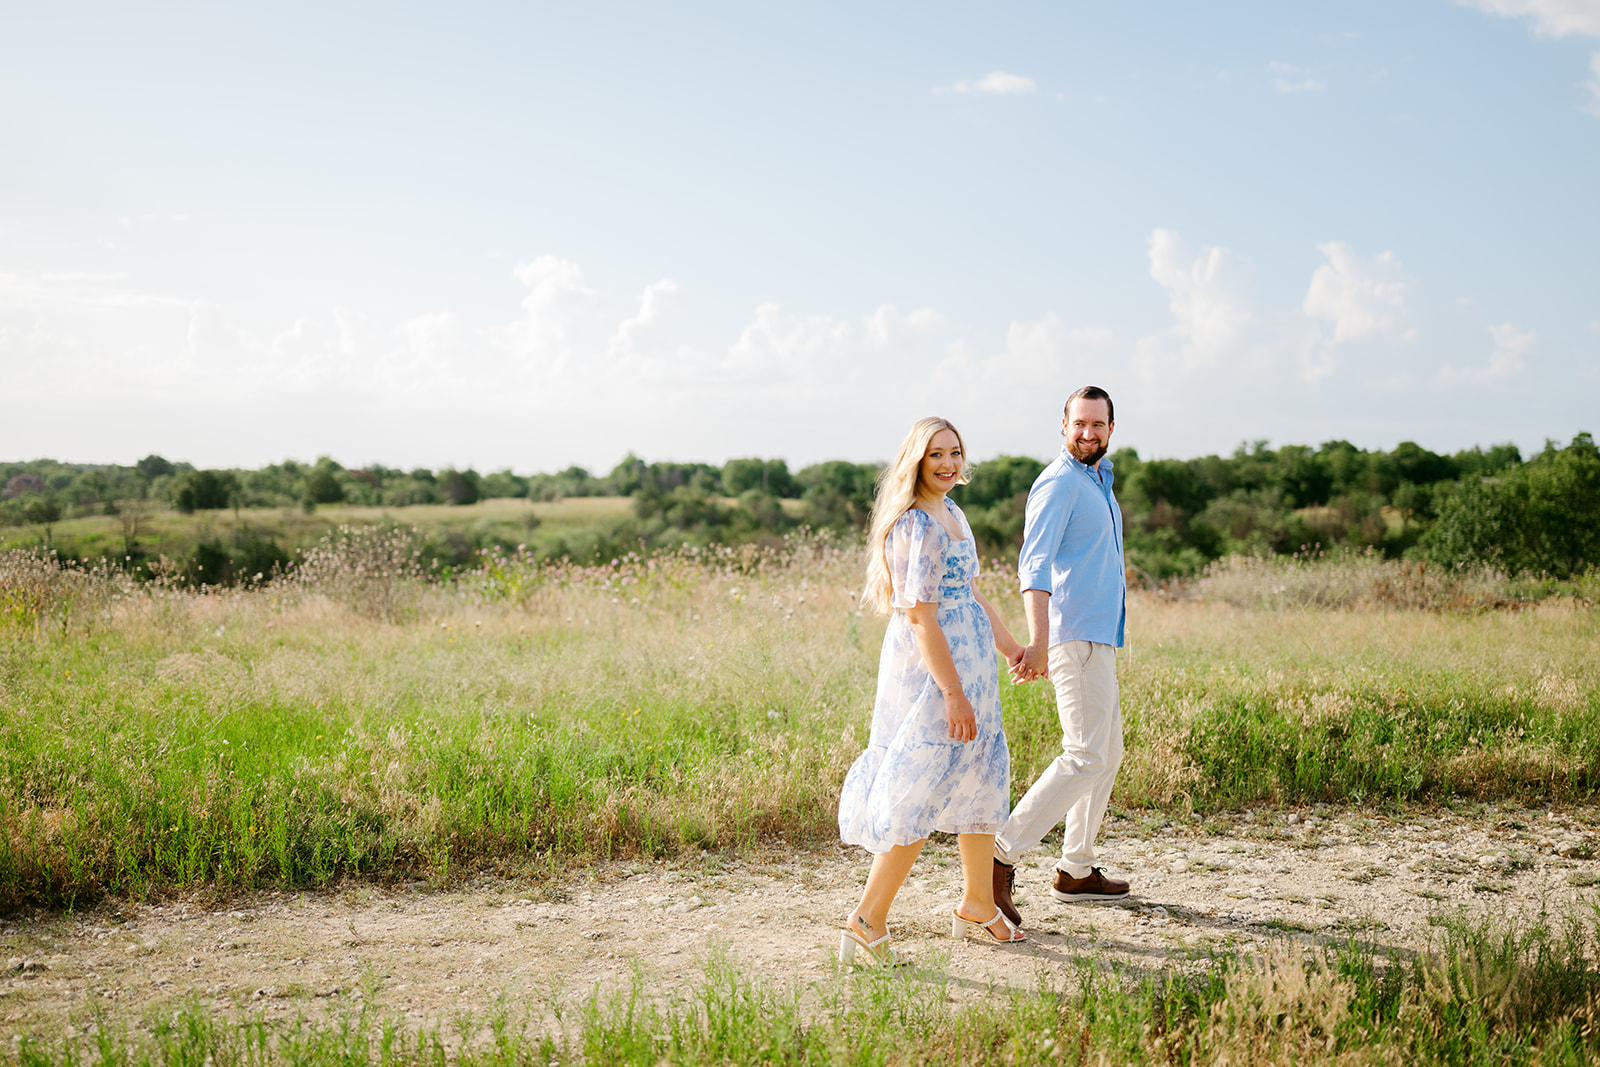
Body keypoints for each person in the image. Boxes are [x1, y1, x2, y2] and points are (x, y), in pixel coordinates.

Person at [837, 416, 1029, 965]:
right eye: (935, 455)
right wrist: (952, 692)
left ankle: (976, 903)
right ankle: (866, 918)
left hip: (971, 669)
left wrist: (1010, 646)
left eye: (954, 453)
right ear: (915, 462)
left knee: (978, 778)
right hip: (934, 674)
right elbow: (922, 617)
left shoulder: (954, 512)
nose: (947, 464)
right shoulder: (917, 524)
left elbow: (969, 595)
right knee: (920, 787)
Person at [992, 386, 1131, 927]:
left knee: (1108, 751)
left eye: (1097, 425)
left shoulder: (1098, 480)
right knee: (1085, 756)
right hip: (1072, 636)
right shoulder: (1058, 482)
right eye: (1079, 424)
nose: (1088, 433)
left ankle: (1076, 869)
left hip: (1101, 636)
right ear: (1064, 424)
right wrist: (1040, 641)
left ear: (1111, 428)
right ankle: (999, 855)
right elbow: (1035, 564)